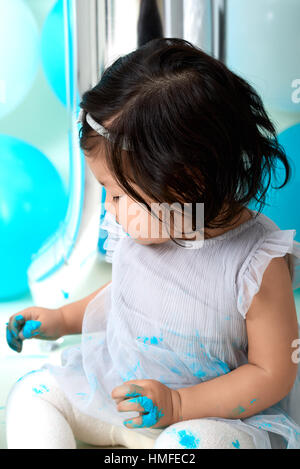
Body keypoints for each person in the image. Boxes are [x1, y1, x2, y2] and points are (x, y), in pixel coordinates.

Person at [5, 38, 300, 449]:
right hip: (116, 392)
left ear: (186, 183)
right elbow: (125, 296)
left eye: (116, 194)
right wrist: (60, 320)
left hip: (203, 417)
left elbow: (273, 373)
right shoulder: (141, 227)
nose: (108, 208)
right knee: (34, 395)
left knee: (191, 445)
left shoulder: (255, 261)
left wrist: (180, 404)